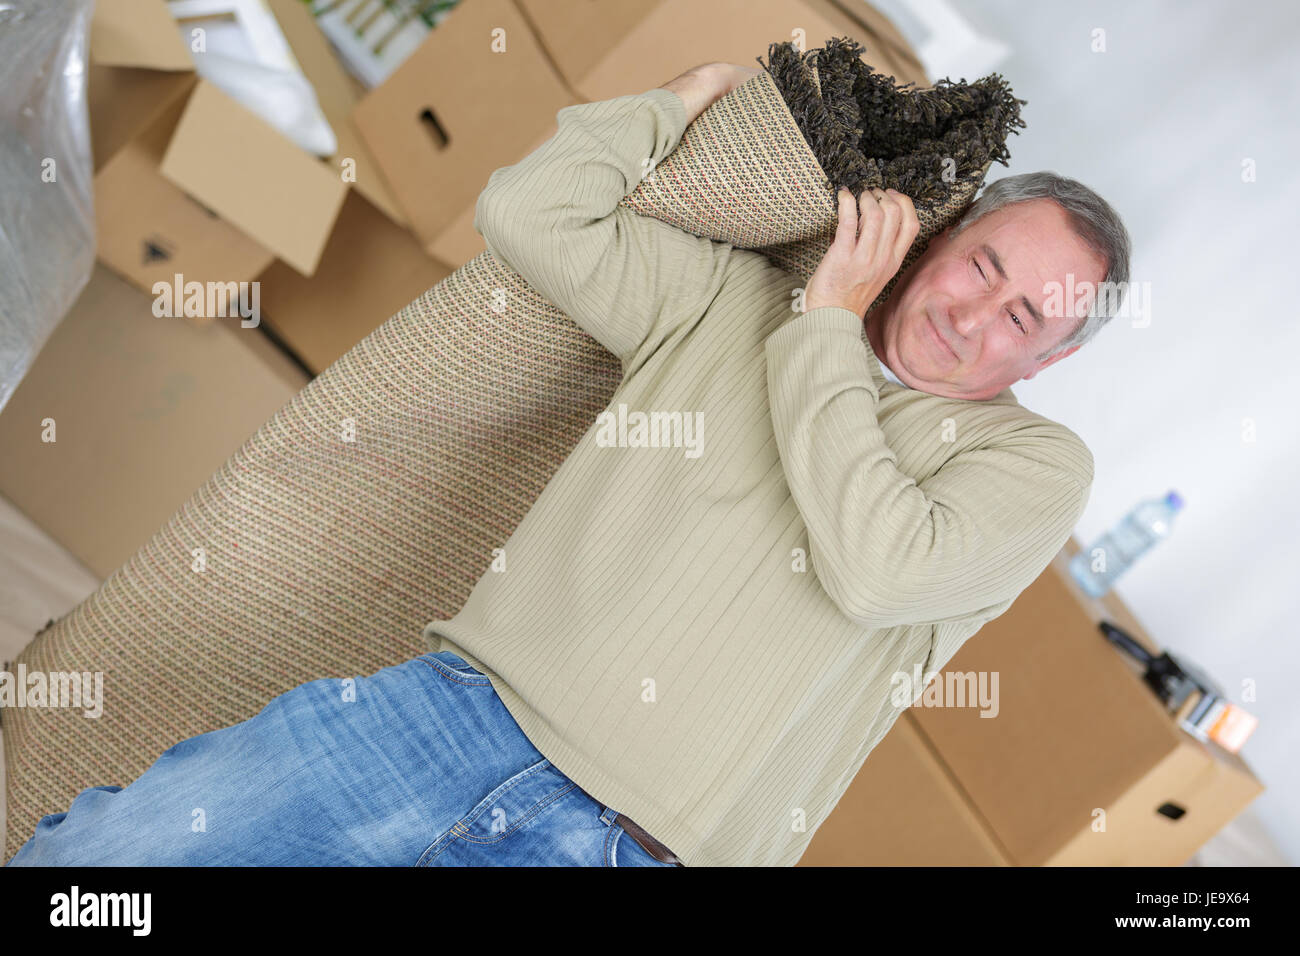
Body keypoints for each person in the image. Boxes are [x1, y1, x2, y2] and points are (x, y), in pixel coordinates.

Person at [8, 61, 1130, 867]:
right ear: (937, 239)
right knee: (103, 862)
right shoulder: (731, 302)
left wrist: (832, 324)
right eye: (982, 264)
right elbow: (533, 213)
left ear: (1052, 355)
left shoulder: (1031, 465)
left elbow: (879, 564)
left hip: (620, 846)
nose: (978, 311)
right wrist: (677, 101)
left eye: (1025, 312)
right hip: (438, 719)